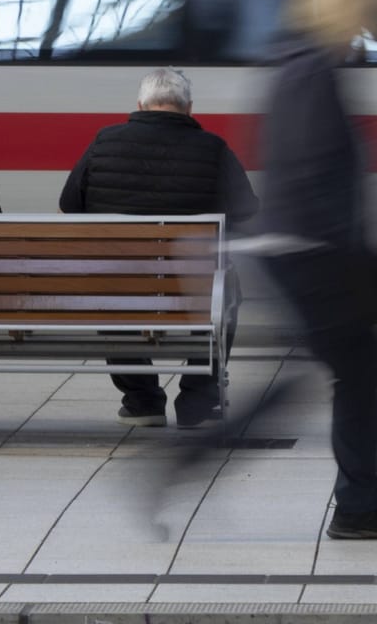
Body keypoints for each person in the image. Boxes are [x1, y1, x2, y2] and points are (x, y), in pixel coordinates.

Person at [260, 0, 377, 541]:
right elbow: (311, 171)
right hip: (314, 255)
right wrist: (351, 256)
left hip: (307, 252)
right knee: (349, 373)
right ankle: (357, 507)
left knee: (347, 371)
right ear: (351, 6)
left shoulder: (308, 63)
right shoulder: (315, 70)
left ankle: (358, 503)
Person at [60, 67, 257, 429]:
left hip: (120, 284)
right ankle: (197, 398)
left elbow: (70, 204)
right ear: (189, 108)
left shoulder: (105, 140)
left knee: (113, 289)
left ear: (140, 104)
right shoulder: (213, 148)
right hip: (192, 283)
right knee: (222, 289)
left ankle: (142, 401)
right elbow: (247, 209)